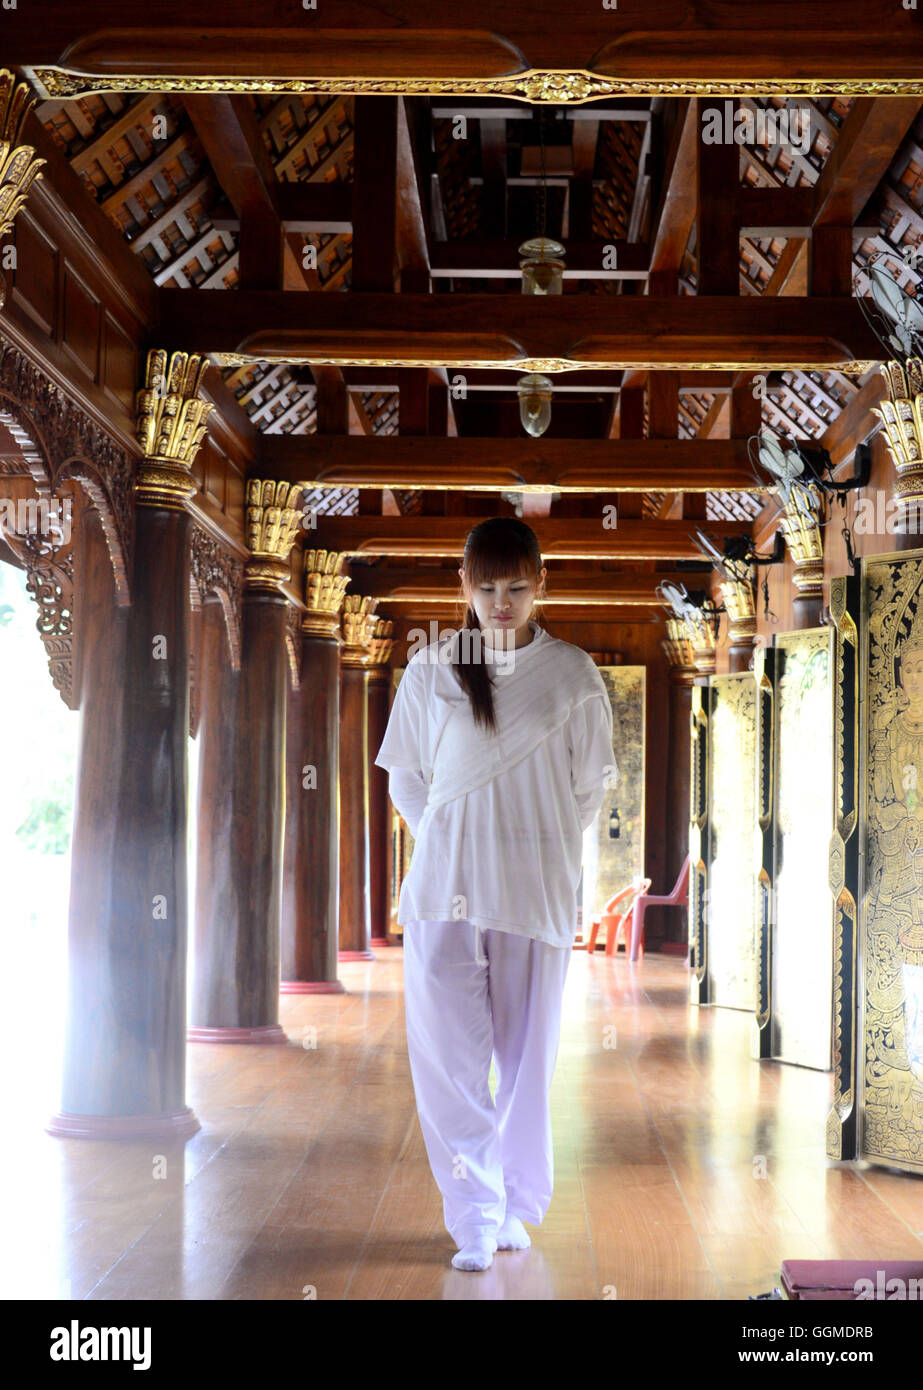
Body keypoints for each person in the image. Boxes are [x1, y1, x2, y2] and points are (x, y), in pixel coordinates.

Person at [374, 516, 616, 1271]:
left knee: (524, 1060)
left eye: (516, 587)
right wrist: (453, 837)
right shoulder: (431, 669)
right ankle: (472, 1216)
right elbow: (406, 778)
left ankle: (514, 1203)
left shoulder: (573, 674)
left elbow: (587, 793)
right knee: (449, 1061)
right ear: (464, 588)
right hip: (443, 891)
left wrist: (529, 847)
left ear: (541, 583)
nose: (502, 602)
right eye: (487, 589)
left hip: (534, 895)